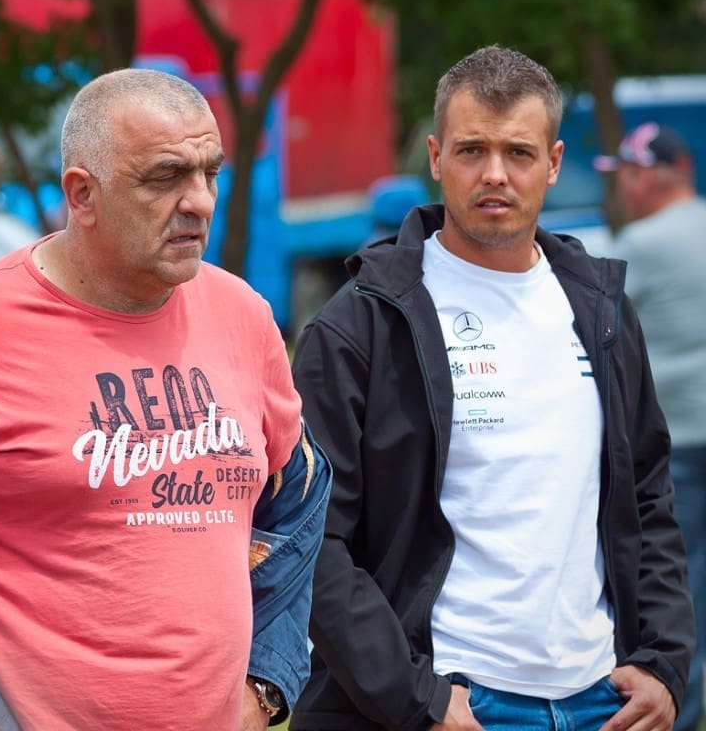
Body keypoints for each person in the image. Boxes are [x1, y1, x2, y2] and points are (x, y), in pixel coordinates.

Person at [0, 67, 332, 730]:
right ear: (82, 194)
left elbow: (299, 497)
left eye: (210, 173)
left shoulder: (244, 316)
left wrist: (265, 681)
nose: (200, 201)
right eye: (166, 177)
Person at [290, 46, 694, 731]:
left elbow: (648, 498)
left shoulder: (600, 308)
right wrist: (415, 699)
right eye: (472, 150)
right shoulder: (362, 322)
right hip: (451, 704)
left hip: (601, 700)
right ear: (436, 156)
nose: (495, 174)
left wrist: (665, 663)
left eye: (519, 153)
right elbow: (311, 536)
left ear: (554, 162)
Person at [594, 121, 706, 731]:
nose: (621, 188)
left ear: (650, 178)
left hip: (678, 442)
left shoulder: (641, 243)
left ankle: (673, 713)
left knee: (675, 589)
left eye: (625, 175)